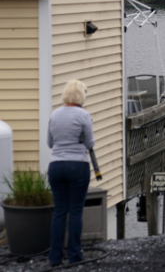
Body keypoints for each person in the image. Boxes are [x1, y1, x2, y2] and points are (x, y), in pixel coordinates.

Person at [47, 79, 94, 266]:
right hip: (77, 165)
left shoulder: (55, 115)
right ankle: (75, 256)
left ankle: (54, 257)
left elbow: (50, 143)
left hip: (56, 166)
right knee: (75, 211)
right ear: (81, 95)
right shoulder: (83, 115)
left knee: (59, 211)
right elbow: (90, 143)